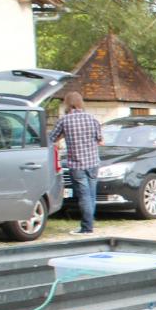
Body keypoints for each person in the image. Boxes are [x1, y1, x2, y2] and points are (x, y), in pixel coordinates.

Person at [49, 91, 104, 235]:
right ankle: (90, 224)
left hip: (77, 163)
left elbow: (51, 139)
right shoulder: (92, 118)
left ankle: (87, 228)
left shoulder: (64, 120)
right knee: (91, 195)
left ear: (68, 103)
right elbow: (100, 140)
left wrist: (65, 136)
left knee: (84, 196)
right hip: (93, 162)